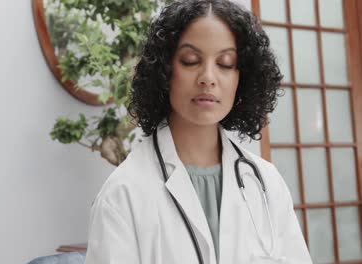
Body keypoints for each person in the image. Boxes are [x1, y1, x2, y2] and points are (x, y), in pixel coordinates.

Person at [84, 0, 312, 263]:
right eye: (191, 61)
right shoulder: (123, 194)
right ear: (166, 70)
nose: (208, 77)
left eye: (225, 63)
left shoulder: (265, 183)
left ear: (242, 77)